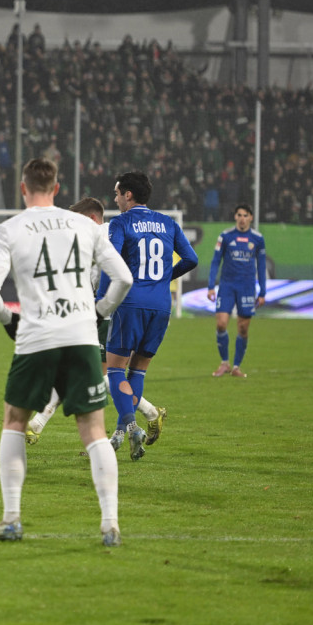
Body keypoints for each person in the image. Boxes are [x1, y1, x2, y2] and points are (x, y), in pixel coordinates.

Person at [0, 158, 133, 547]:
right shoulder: (86, 225)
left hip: (35, 337)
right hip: (82, 335)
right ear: (58, 189)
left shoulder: (9, 229)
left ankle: (12, 518)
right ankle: (110, 523)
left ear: (23, 188)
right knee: (93, 430)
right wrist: (98, 313)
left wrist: (8, 322)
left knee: (15, 421)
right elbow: (123, 279)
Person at [25, 198, 168, 447]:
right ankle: (150, 413)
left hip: (109, 315)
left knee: (99, 376)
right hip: (106, 313)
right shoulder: (111, 234)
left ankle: (39, 424)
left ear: (91, 219)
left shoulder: (102, 236)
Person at [101, 171, 198, 461]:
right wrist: (165, 276)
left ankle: (131, 429)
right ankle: (121, 434)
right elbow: (191, 259)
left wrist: (100, 300)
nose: (116, 198)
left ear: (128, 195)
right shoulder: (168, 223)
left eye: (118, 193)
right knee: (139, 369)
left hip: (130, 302)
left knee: (115, 369)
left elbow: (113, 260)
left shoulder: (121, 222)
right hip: (161, 304)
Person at [207, 203, 267, 378]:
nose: (242, 219)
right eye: (239, 215)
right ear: (235, 217)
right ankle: (224, 363)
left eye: (245, 215)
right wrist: (211, 286)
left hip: (247, 287)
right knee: (221, 324)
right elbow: (215, 261)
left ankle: (236, 367)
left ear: (251, 218)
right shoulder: (225, 236)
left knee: (243, 328)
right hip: (227, 286)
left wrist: (262, 291)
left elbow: (261, 266)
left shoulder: (257, 238)